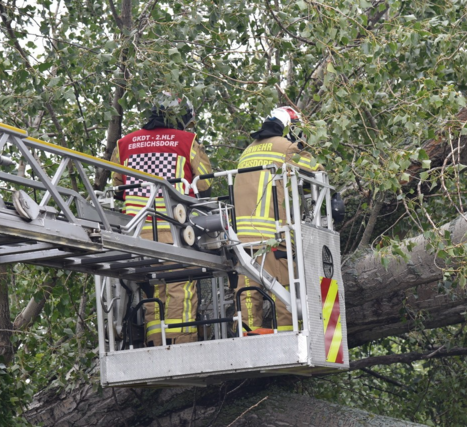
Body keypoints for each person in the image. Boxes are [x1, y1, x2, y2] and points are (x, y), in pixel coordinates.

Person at [111, 93, 212, 345]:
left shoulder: (125, 144)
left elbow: (118, 187)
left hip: (137, 234)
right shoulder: (186, 141)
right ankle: (181, 346)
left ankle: (156, 342)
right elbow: (206, 182)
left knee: (154, 288)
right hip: (174, 231)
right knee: (181, 289)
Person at [233, 106, 323, 334]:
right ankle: (289, 337)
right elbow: (316, 171)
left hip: (242, 239)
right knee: (284, 294)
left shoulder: (247, 151)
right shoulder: (286, 147)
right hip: (271, 236)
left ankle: (247, 336)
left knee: (247, 295)